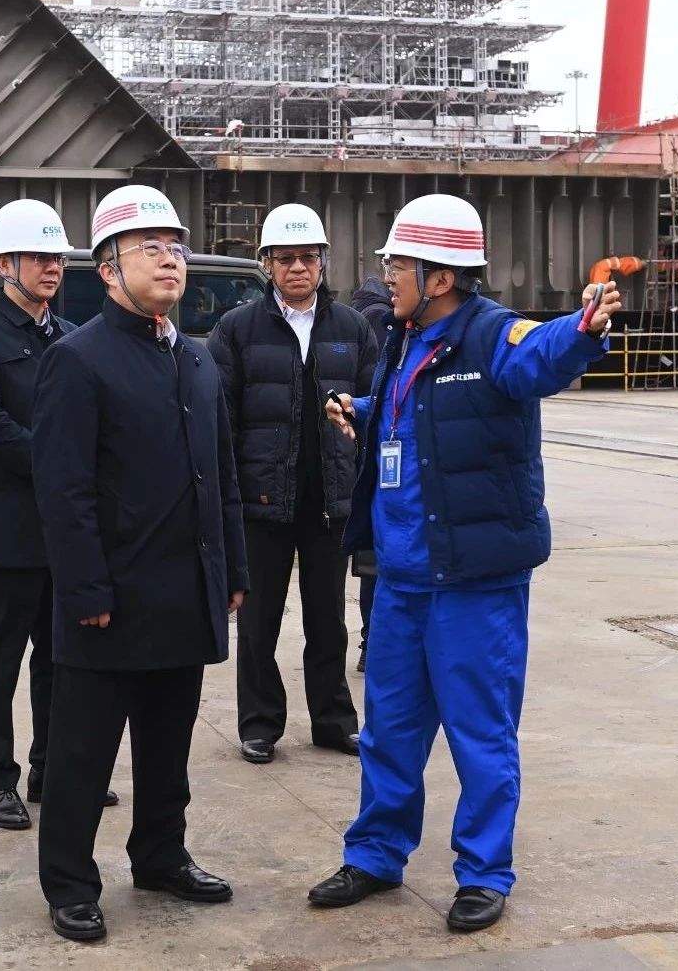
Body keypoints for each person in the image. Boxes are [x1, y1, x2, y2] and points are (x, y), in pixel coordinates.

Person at [310, 194, 621, 932]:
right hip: (402, 579)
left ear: (440, 277)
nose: (387, 276)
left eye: (399, 265)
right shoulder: (404, 338)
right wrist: (362, 408)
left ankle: (483, 871)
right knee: (389, 729)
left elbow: (539, 353)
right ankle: (376, 853)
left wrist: (582, 328)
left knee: (480, 734)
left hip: (474, 584)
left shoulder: (490, 336)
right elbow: (411, 413)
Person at [32, 185, 248, 942]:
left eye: (176, 247)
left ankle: (160, 855)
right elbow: (63, 490)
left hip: (182, 592)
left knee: (167, 745)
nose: (169, 260)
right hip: (110, 599)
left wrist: (232, 570)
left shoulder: (196, 360)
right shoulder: (77, 360)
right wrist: (85, 587)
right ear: (108, 268)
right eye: (149, 248)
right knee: (83, 753)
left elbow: (220, 474)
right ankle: (69, 881)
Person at [0, 199, 117, 831]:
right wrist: (60, 466)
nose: (52, 268)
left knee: (60, 657)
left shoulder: (70, 336)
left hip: (66, 532)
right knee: (2, 658)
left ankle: (52, 770)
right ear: (4, 264)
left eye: (58, 258)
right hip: (12, 530)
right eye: (40, 257)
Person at [208, 204, 378, 765]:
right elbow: (221, 420)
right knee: (258, 623)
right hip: (262, 502)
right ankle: (260, 724)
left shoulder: (352, 328)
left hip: (330, 499)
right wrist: (231, 494)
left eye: (308, 257)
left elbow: (377, 410)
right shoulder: (236, 329)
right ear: (266, 263)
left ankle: (333, 720)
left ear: (324, 261)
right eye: (285, 258)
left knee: (328, 620)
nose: (298, 268)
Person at [347, 275, 392, 674]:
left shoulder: (358, 312)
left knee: (371, 562)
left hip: (364, 450)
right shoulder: (381, 317)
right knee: (377, 562)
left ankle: (371, 641)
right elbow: (380, 385)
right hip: (379, 450)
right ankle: (373, 642)